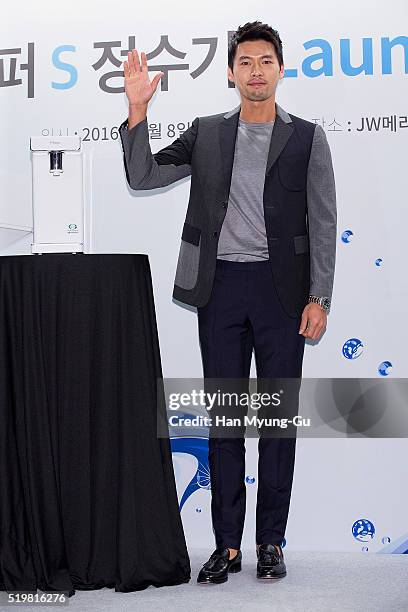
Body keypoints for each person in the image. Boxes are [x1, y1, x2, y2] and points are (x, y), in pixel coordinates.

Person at [119, 20, 337, 584]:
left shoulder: (307, 137)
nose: (256, 71)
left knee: (276, 424)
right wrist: (137, 110)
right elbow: (142, 176)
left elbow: (324, 221)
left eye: (266, 61)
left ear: (280, 70)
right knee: (225, 422)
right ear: (231, 72)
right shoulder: (208, 132)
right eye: (246, 62)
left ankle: (270, 543)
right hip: (219, 291)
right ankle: (226, 546)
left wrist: (320, 296)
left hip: (284, 296)